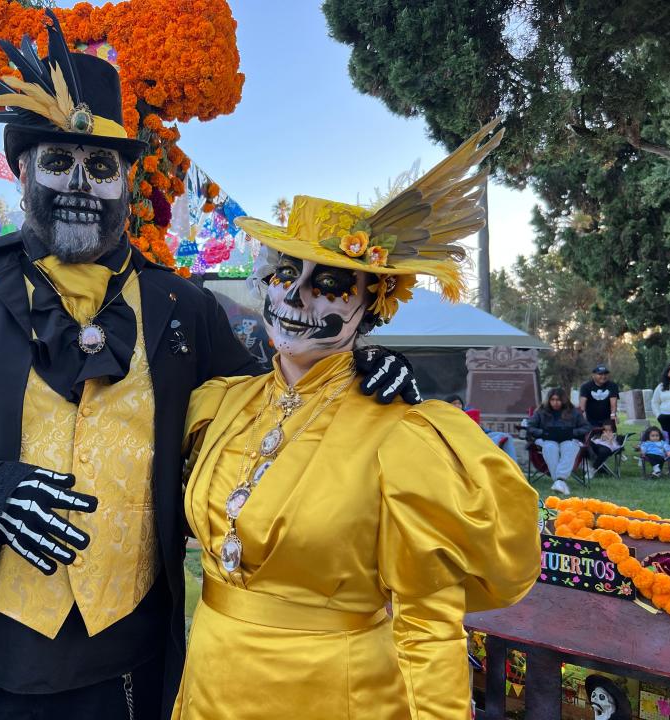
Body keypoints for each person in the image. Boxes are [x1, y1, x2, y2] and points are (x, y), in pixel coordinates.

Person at [0, 15, 413, 720]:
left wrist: (354, 364)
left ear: (127, 180)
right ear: (22, 170)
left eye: (102, 168)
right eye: (58, 162)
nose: (81, 183)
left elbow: (264, 406)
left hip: (125, 665)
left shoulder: (183, 305)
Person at [173, 122, 541, 719]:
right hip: (210, 684)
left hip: (333, 695)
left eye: (330, 284)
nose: (296, 297)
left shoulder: (403, 436)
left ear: (370, 303)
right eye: (282, 274)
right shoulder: (222, 405)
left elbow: (428, 627)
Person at [527, 388, 590, 495]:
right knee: (550, 447)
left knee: (570, 447)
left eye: (558, 400)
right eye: (552, 399)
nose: (555, 402)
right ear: (549, 400)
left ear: (564, 400)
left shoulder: (573, 412)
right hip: (546, 438)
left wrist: (572, 432)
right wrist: (543, 432)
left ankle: (559, 480)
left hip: (568, 438)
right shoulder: (541, 411)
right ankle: (560, 481)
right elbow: (530, 427)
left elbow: (586, 427)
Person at [445, 394, 518, 461]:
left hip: (478, 435)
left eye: (459, 403)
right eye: (454, 403)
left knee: (507, 436)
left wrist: (488, 431)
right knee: (497, 438)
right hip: (465, 440)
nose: (457, 405)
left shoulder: (467, 414)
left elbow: (480, 429)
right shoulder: (445, 417)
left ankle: (514, 466)